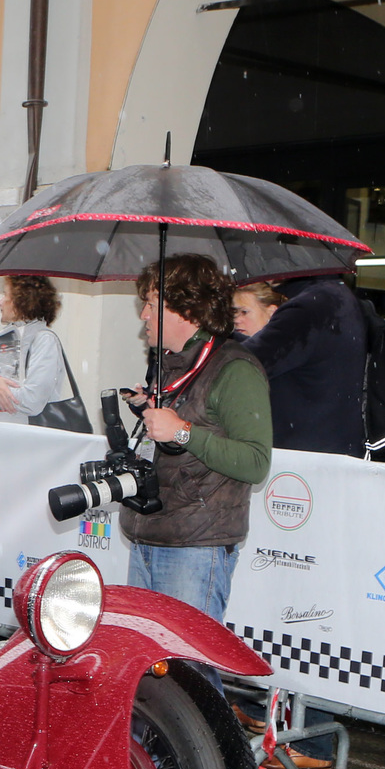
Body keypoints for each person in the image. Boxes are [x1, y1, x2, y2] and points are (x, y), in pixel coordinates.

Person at [124, 256, 273, 692]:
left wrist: (183, 431)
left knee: (189, 681)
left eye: (152, 303)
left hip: (195, 545)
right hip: (149, 532)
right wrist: (149, 410)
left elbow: (255, 461)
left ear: (185, 308)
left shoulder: (234, 367)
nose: (143, 315)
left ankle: (211, 760)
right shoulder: (167, 364)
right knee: (149, 674)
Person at [242, 275, 366, 455]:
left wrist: (216, 334)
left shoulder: (306, 308)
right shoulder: (338, 296)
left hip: (301, 456)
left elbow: (249, 361)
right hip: (331, 448)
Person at [0, 275, 77, 425]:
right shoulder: (8, 339)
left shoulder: (44, 340)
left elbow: (32, 402)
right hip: (4, 434)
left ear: (23, 301)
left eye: (5, 295)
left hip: (33, 438)